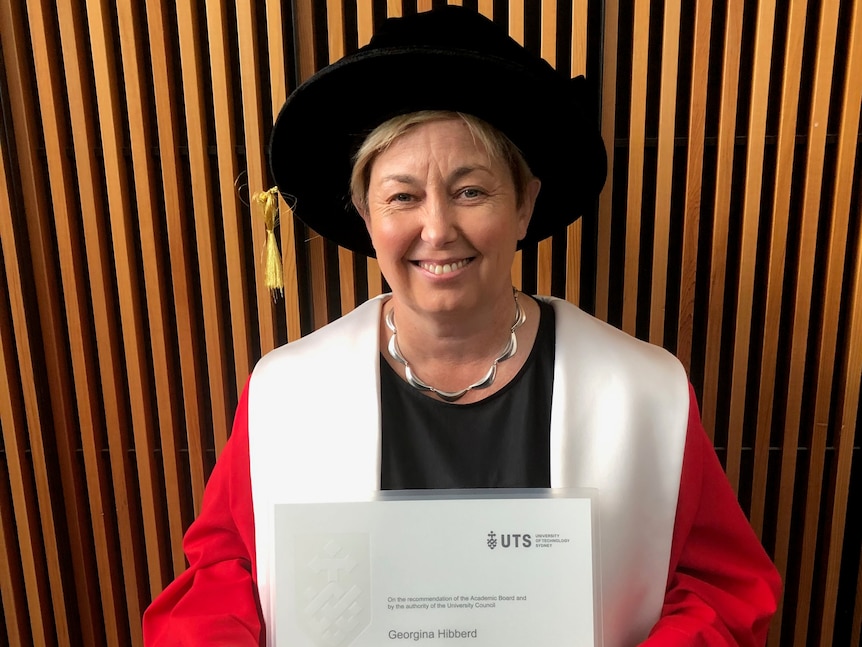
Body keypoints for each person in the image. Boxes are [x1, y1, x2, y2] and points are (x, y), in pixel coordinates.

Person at [143, 7, 780, 646]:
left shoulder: (641, 390)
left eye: (471, 191)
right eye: (402, 196)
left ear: (525, 203)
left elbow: (720, 585)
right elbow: (223, 576)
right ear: (365, 212)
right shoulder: (288, 392)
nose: (437, 229)